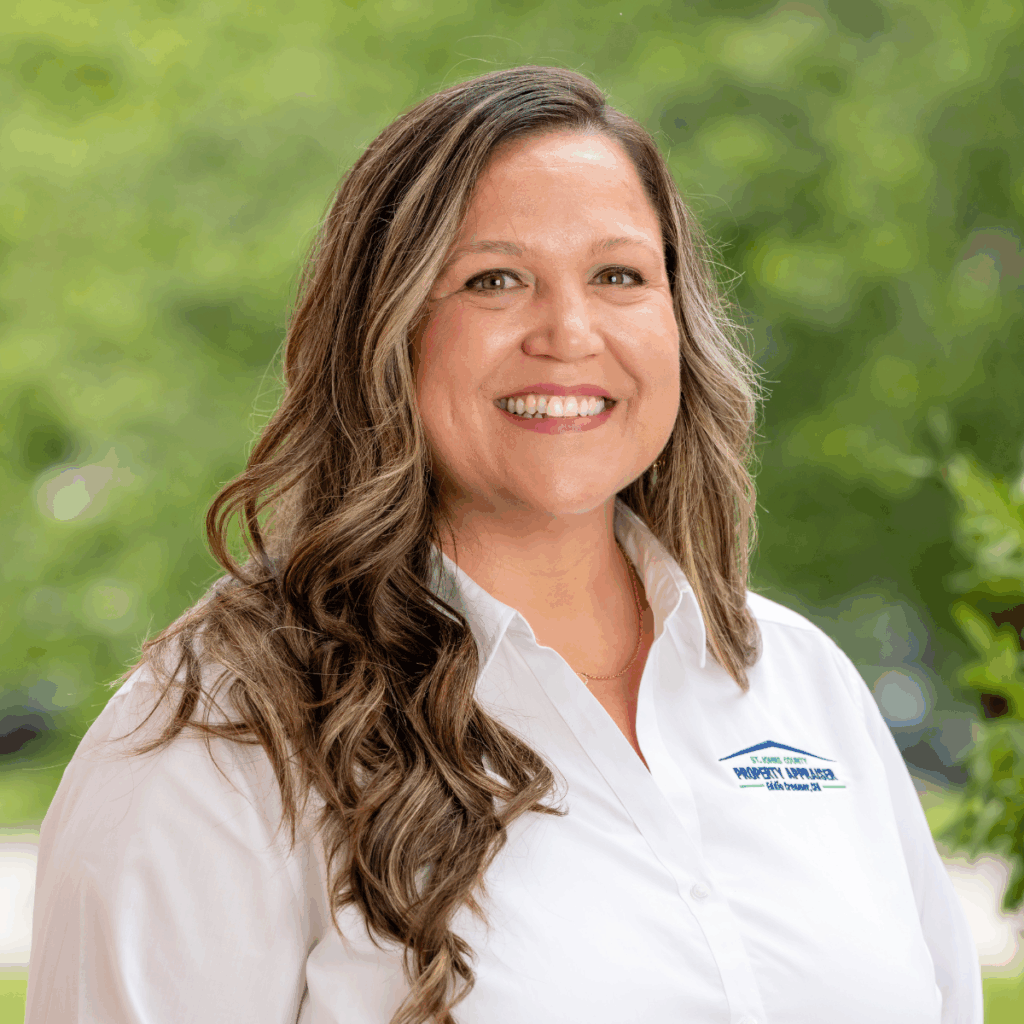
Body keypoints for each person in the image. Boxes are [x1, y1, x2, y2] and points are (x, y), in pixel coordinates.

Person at [26, 65, 982, 1024]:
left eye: (618, 276)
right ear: (387, 333)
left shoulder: (800, 682)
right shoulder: (224, 732)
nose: (569, 332)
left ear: (679, 324)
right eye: (495, 280)